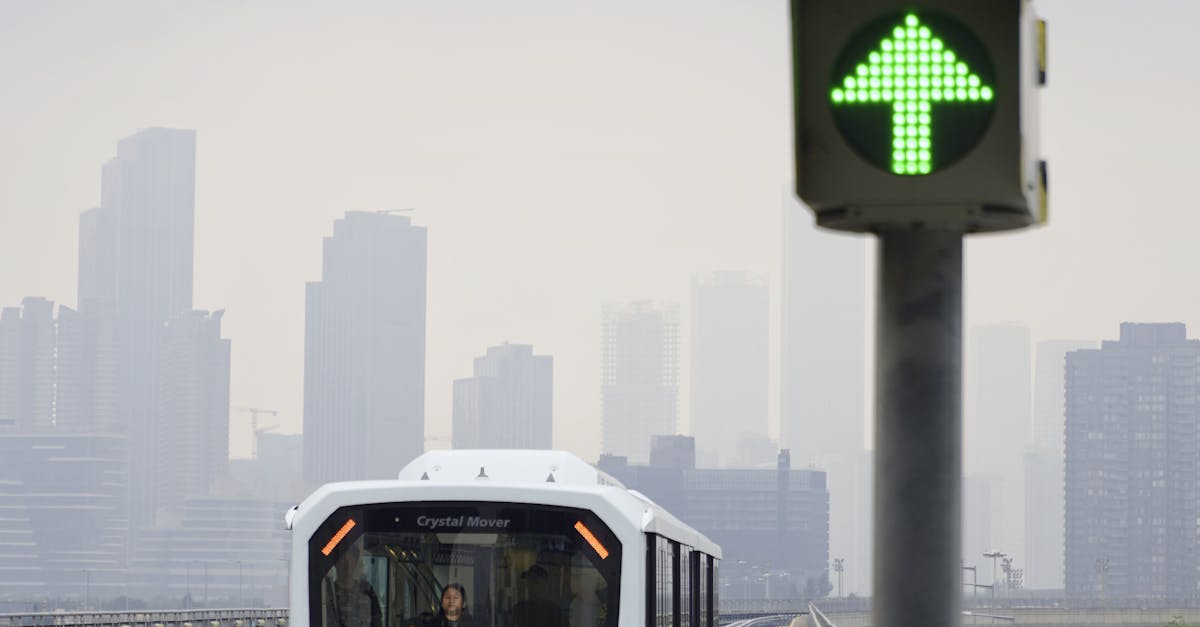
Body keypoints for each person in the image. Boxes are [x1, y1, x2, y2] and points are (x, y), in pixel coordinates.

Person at [326, 543, 382, 627]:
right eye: (343, 559)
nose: (347, 564)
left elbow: (377, 621)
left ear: (356, 562)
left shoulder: (367, 590)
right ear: (336, 563)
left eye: (351, 558)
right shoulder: (328, 592)